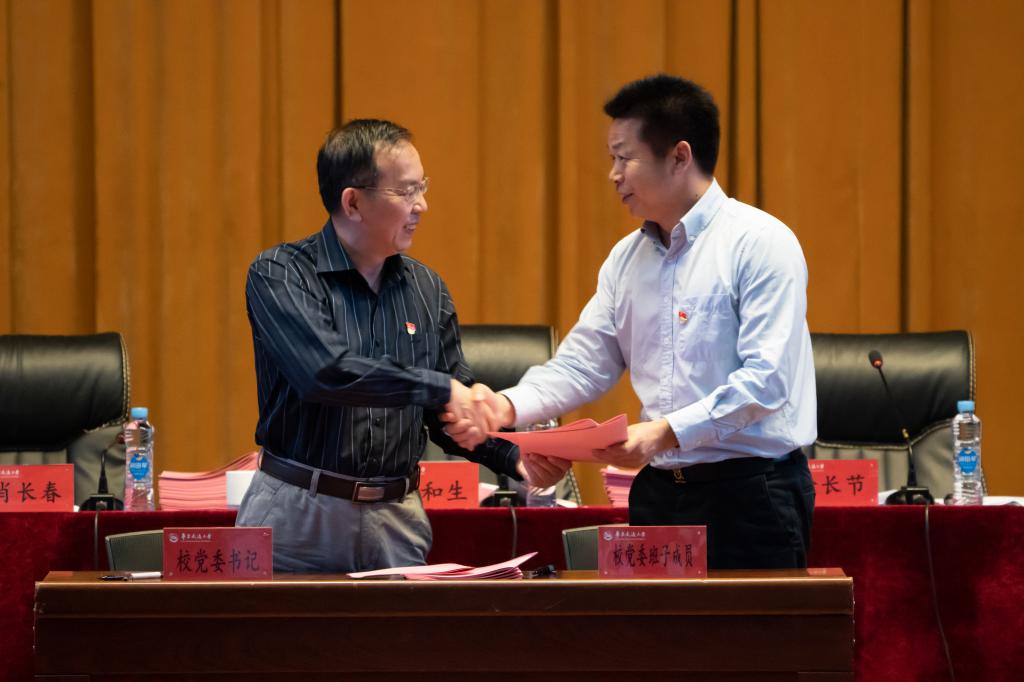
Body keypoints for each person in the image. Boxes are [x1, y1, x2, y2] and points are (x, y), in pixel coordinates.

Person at [448, 75, 817, 569]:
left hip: (752, 495)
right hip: (659, 493)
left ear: (679, 156)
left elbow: (766, 382)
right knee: (650, 624)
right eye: (612, 159)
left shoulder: (760, 244)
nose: (613, 175)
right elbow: (583, 365)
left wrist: (663, 432)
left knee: (750, 625)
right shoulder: (626, 259)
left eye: (625, 158)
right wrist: (505, 405)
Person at [237, 119, 560, 572]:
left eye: (421, 187)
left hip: (397, 515)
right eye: (406, 191)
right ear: (353, 202)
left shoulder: (427, 290)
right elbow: (324, 373)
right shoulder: (281, 273)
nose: (422, 205)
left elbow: (447, 412)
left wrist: (512, 455)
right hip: (299, 513)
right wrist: (439, 387)